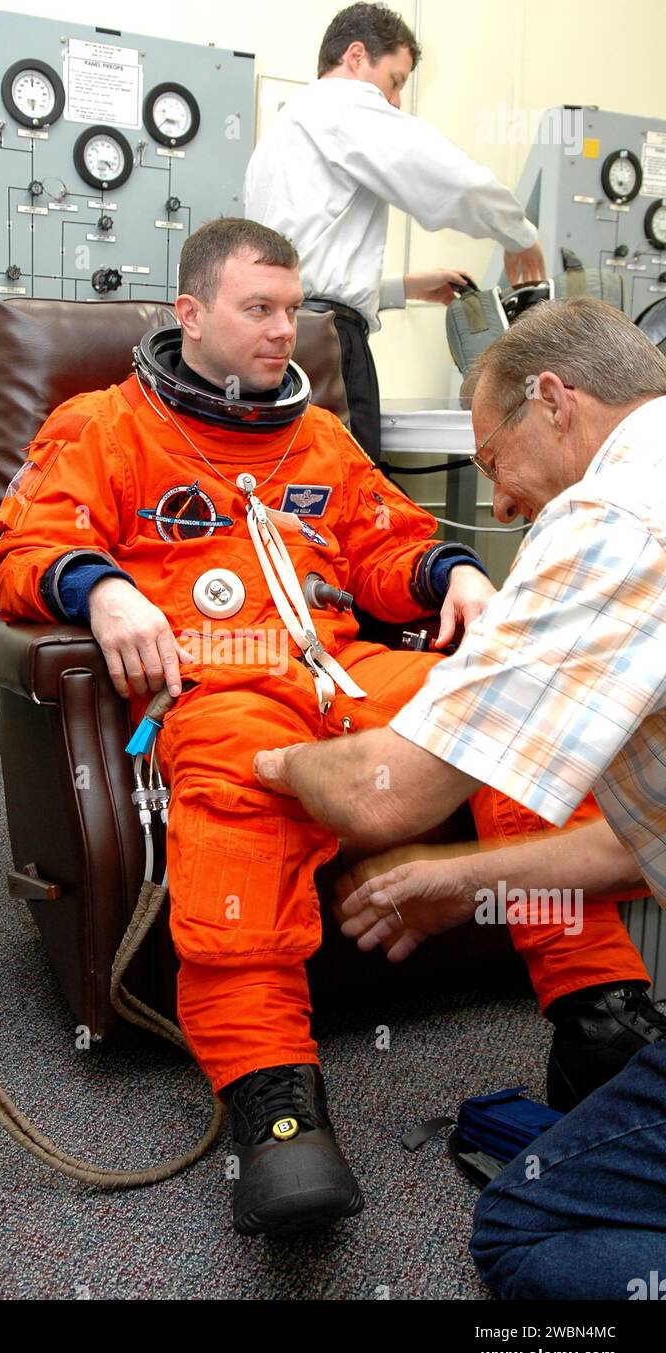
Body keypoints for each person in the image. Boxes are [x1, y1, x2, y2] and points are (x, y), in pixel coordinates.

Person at [0, 224, 652, 1238]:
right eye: (258, 308)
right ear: (191, 315)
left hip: (345, 667)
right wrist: (106, 589)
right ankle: (276, 1099)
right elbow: (31, 540)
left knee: (510, 739)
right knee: (233, 794)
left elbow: (386, 541)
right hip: (221, 678)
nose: (283, 328)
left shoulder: (321, 439)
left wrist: (453, 573)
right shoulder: (102, 428)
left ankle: (598, 1010)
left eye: (292, 309)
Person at [252, 296, 666, 1292]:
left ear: (556, 402)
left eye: (492, 461)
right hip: (252, 666)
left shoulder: (610, 519)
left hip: (321, 703)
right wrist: (464, 880)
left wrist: (276, 761)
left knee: (523, 1229)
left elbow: (383, 798)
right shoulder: (105, 431)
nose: (504, 501)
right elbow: (637, 838)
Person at [244, 2, 546, 460]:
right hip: (328, 346)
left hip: (281, 341)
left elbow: (299, 275)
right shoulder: (345, 105)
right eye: (396, 80)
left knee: (294, 494)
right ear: (357, 56)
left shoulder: (286, 127)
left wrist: (401, 288)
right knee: (348, 501)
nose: (397, 100)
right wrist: (520, 235)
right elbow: (454, 181)